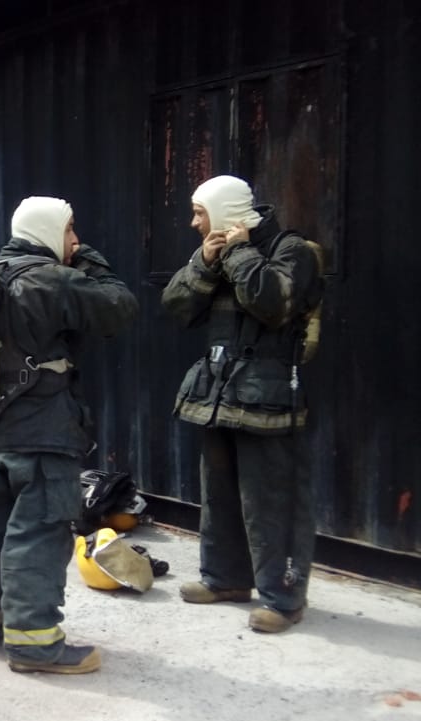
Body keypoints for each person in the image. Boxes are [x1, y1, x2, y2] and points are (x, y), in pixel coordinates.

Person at [0, 196, 136, 673]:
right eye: (70, 230)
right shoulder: (48, 278)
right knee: (38, 533)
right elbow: (120, 308)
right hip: (42, 430)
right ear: (46, 231)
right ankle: (35, 644)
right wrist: (91, 259)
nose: (75, 240)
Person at [161, 175, 324, 633]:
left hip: (268, 396)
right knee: (220, 494)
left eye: (199, 211)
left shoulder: (292, 250)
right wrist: (204, 264)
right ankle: (225, 579)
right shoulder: (216, 250)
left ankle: (284, 596)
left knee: (272, 499)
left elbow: (273, 303)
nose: (194, 222)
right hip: (216, 391)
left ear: (226, 211)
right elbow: (175, 308)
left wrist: (237, 252)